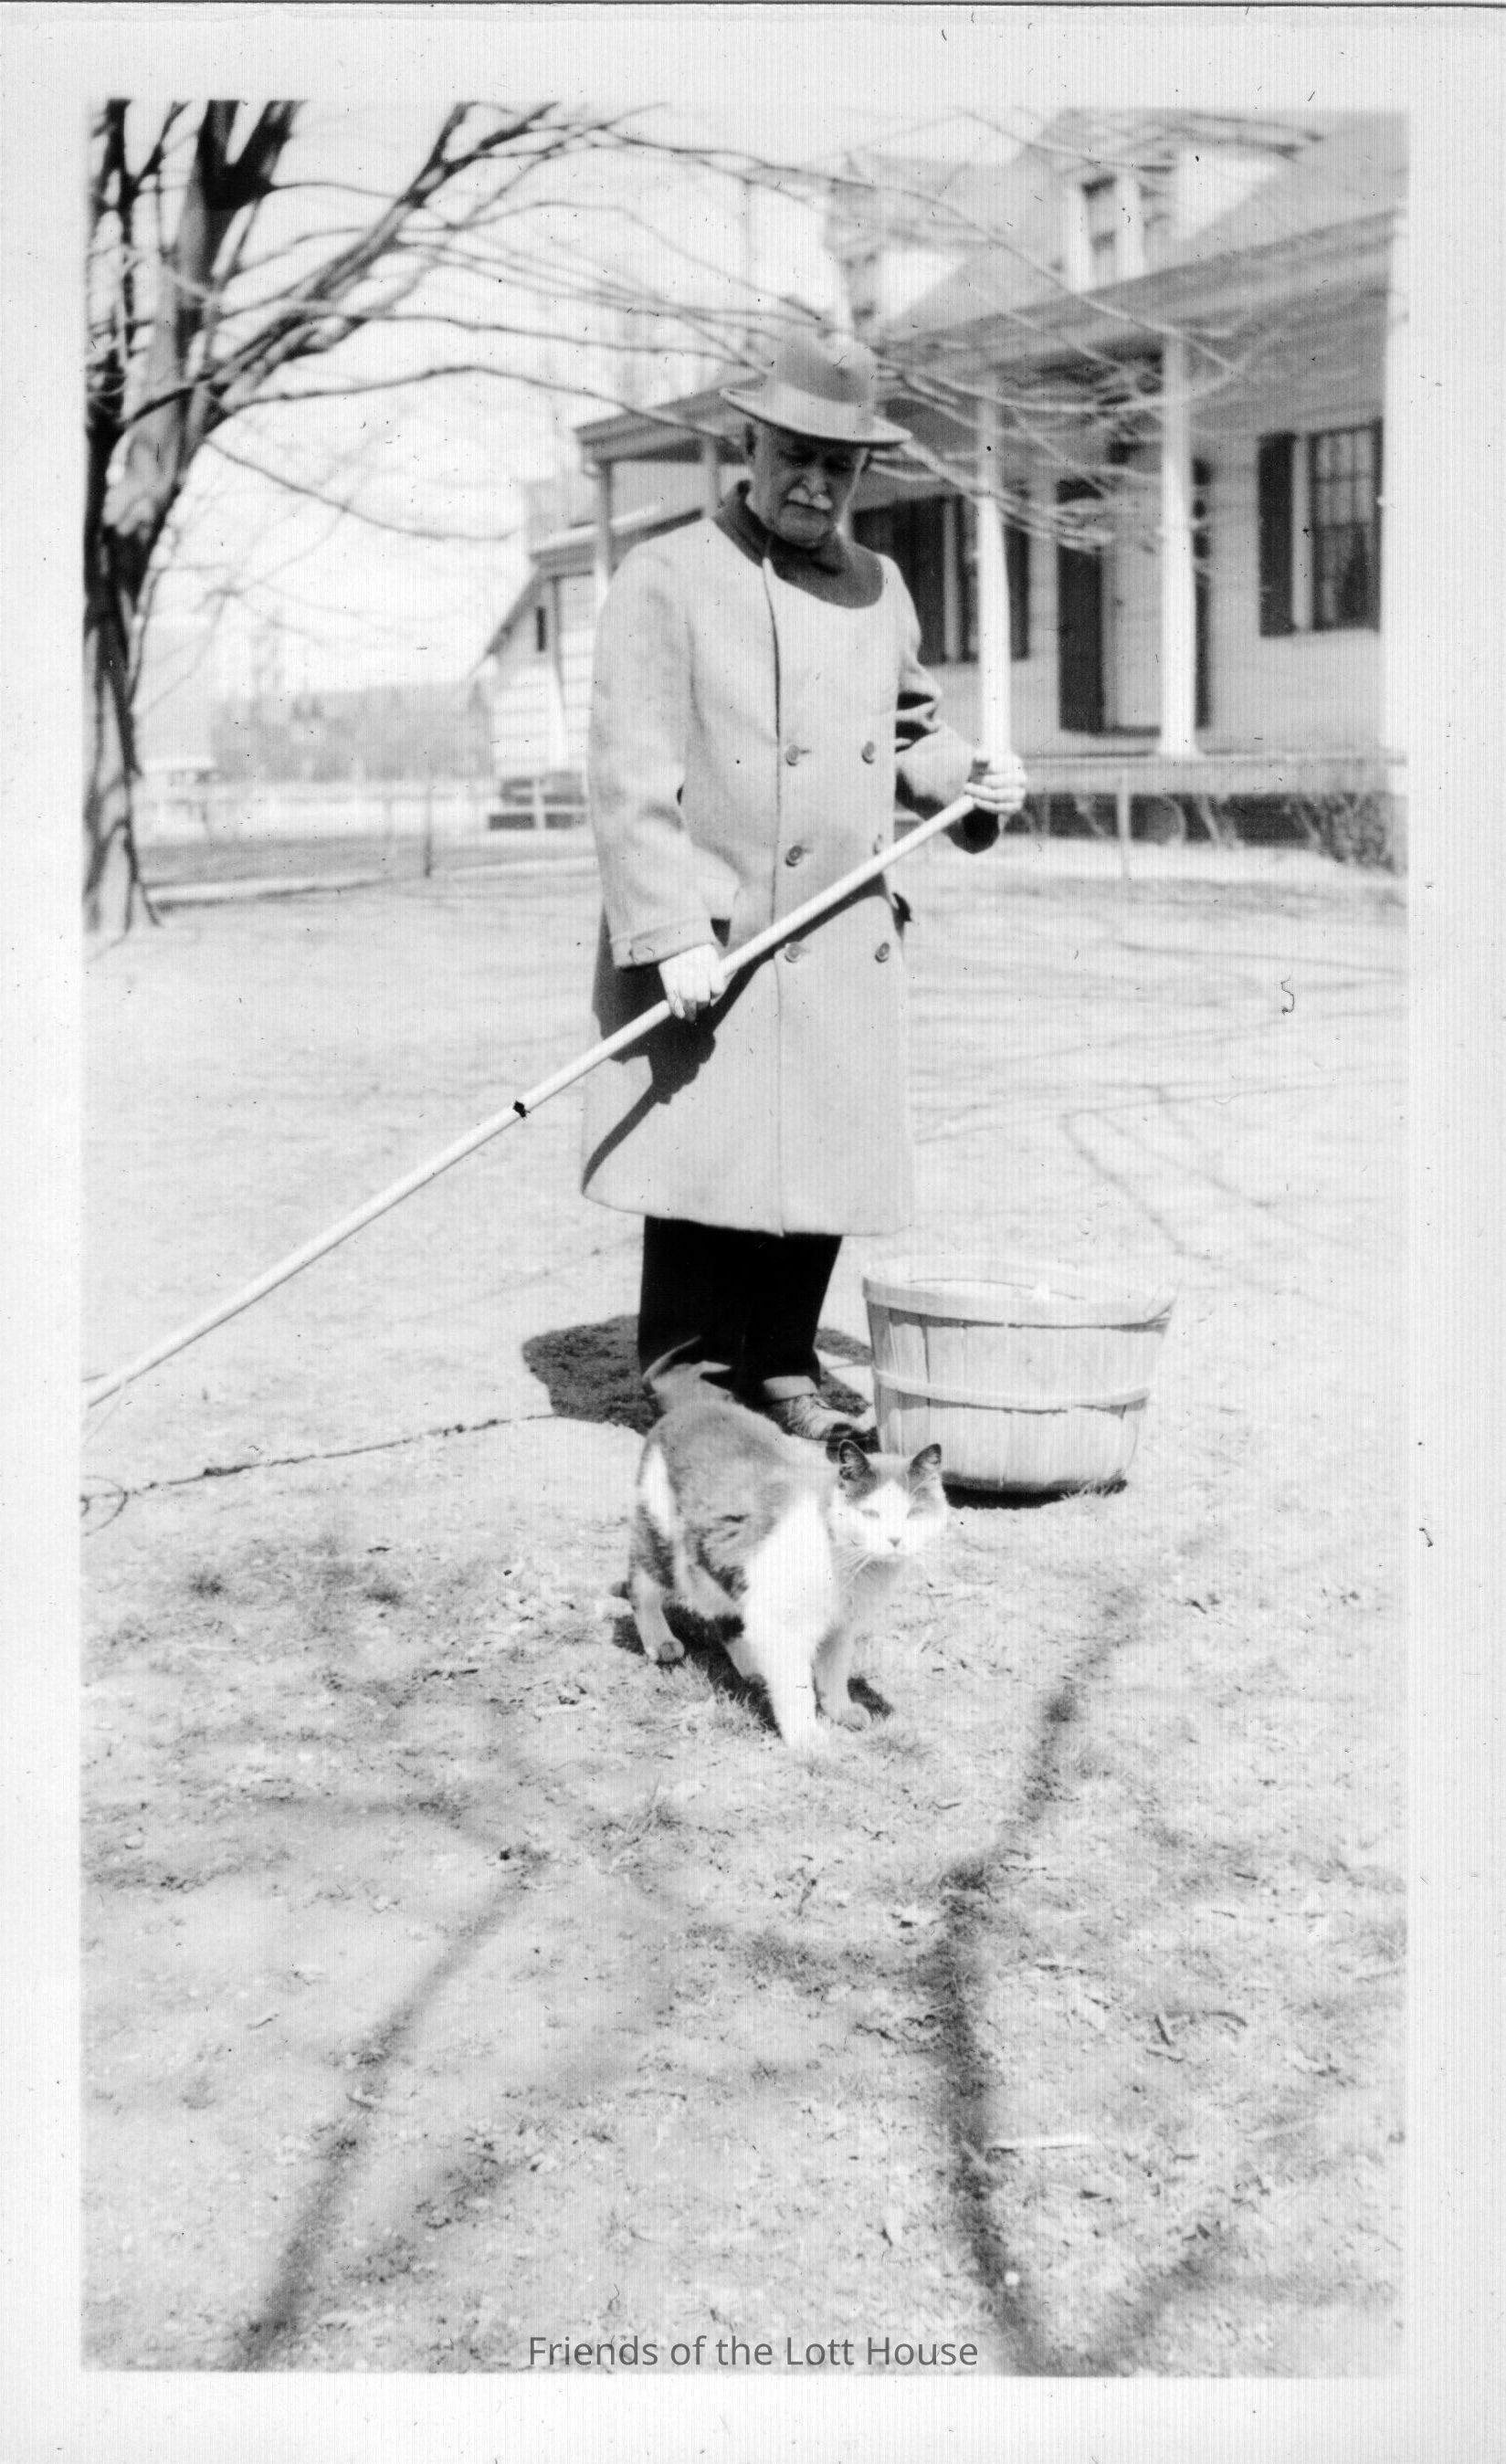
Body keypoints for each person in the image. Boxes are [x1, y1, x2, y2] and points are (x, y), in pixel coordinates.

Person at [581, 327, 1027, 1440]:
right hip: (717, 929)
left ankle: (781, 1359)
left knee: (821, 1150)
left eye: (839, 466)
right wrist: (668, 931)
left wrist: (970, 778)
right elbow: (629, 773)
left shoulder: (878, 587)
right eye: (795, 457)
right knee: (708, 1150)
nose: (815, 485)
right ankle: (689, 1379)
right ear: (750, 446)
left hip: (836, 924)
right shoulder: (667, 576)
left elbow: (911, 732)